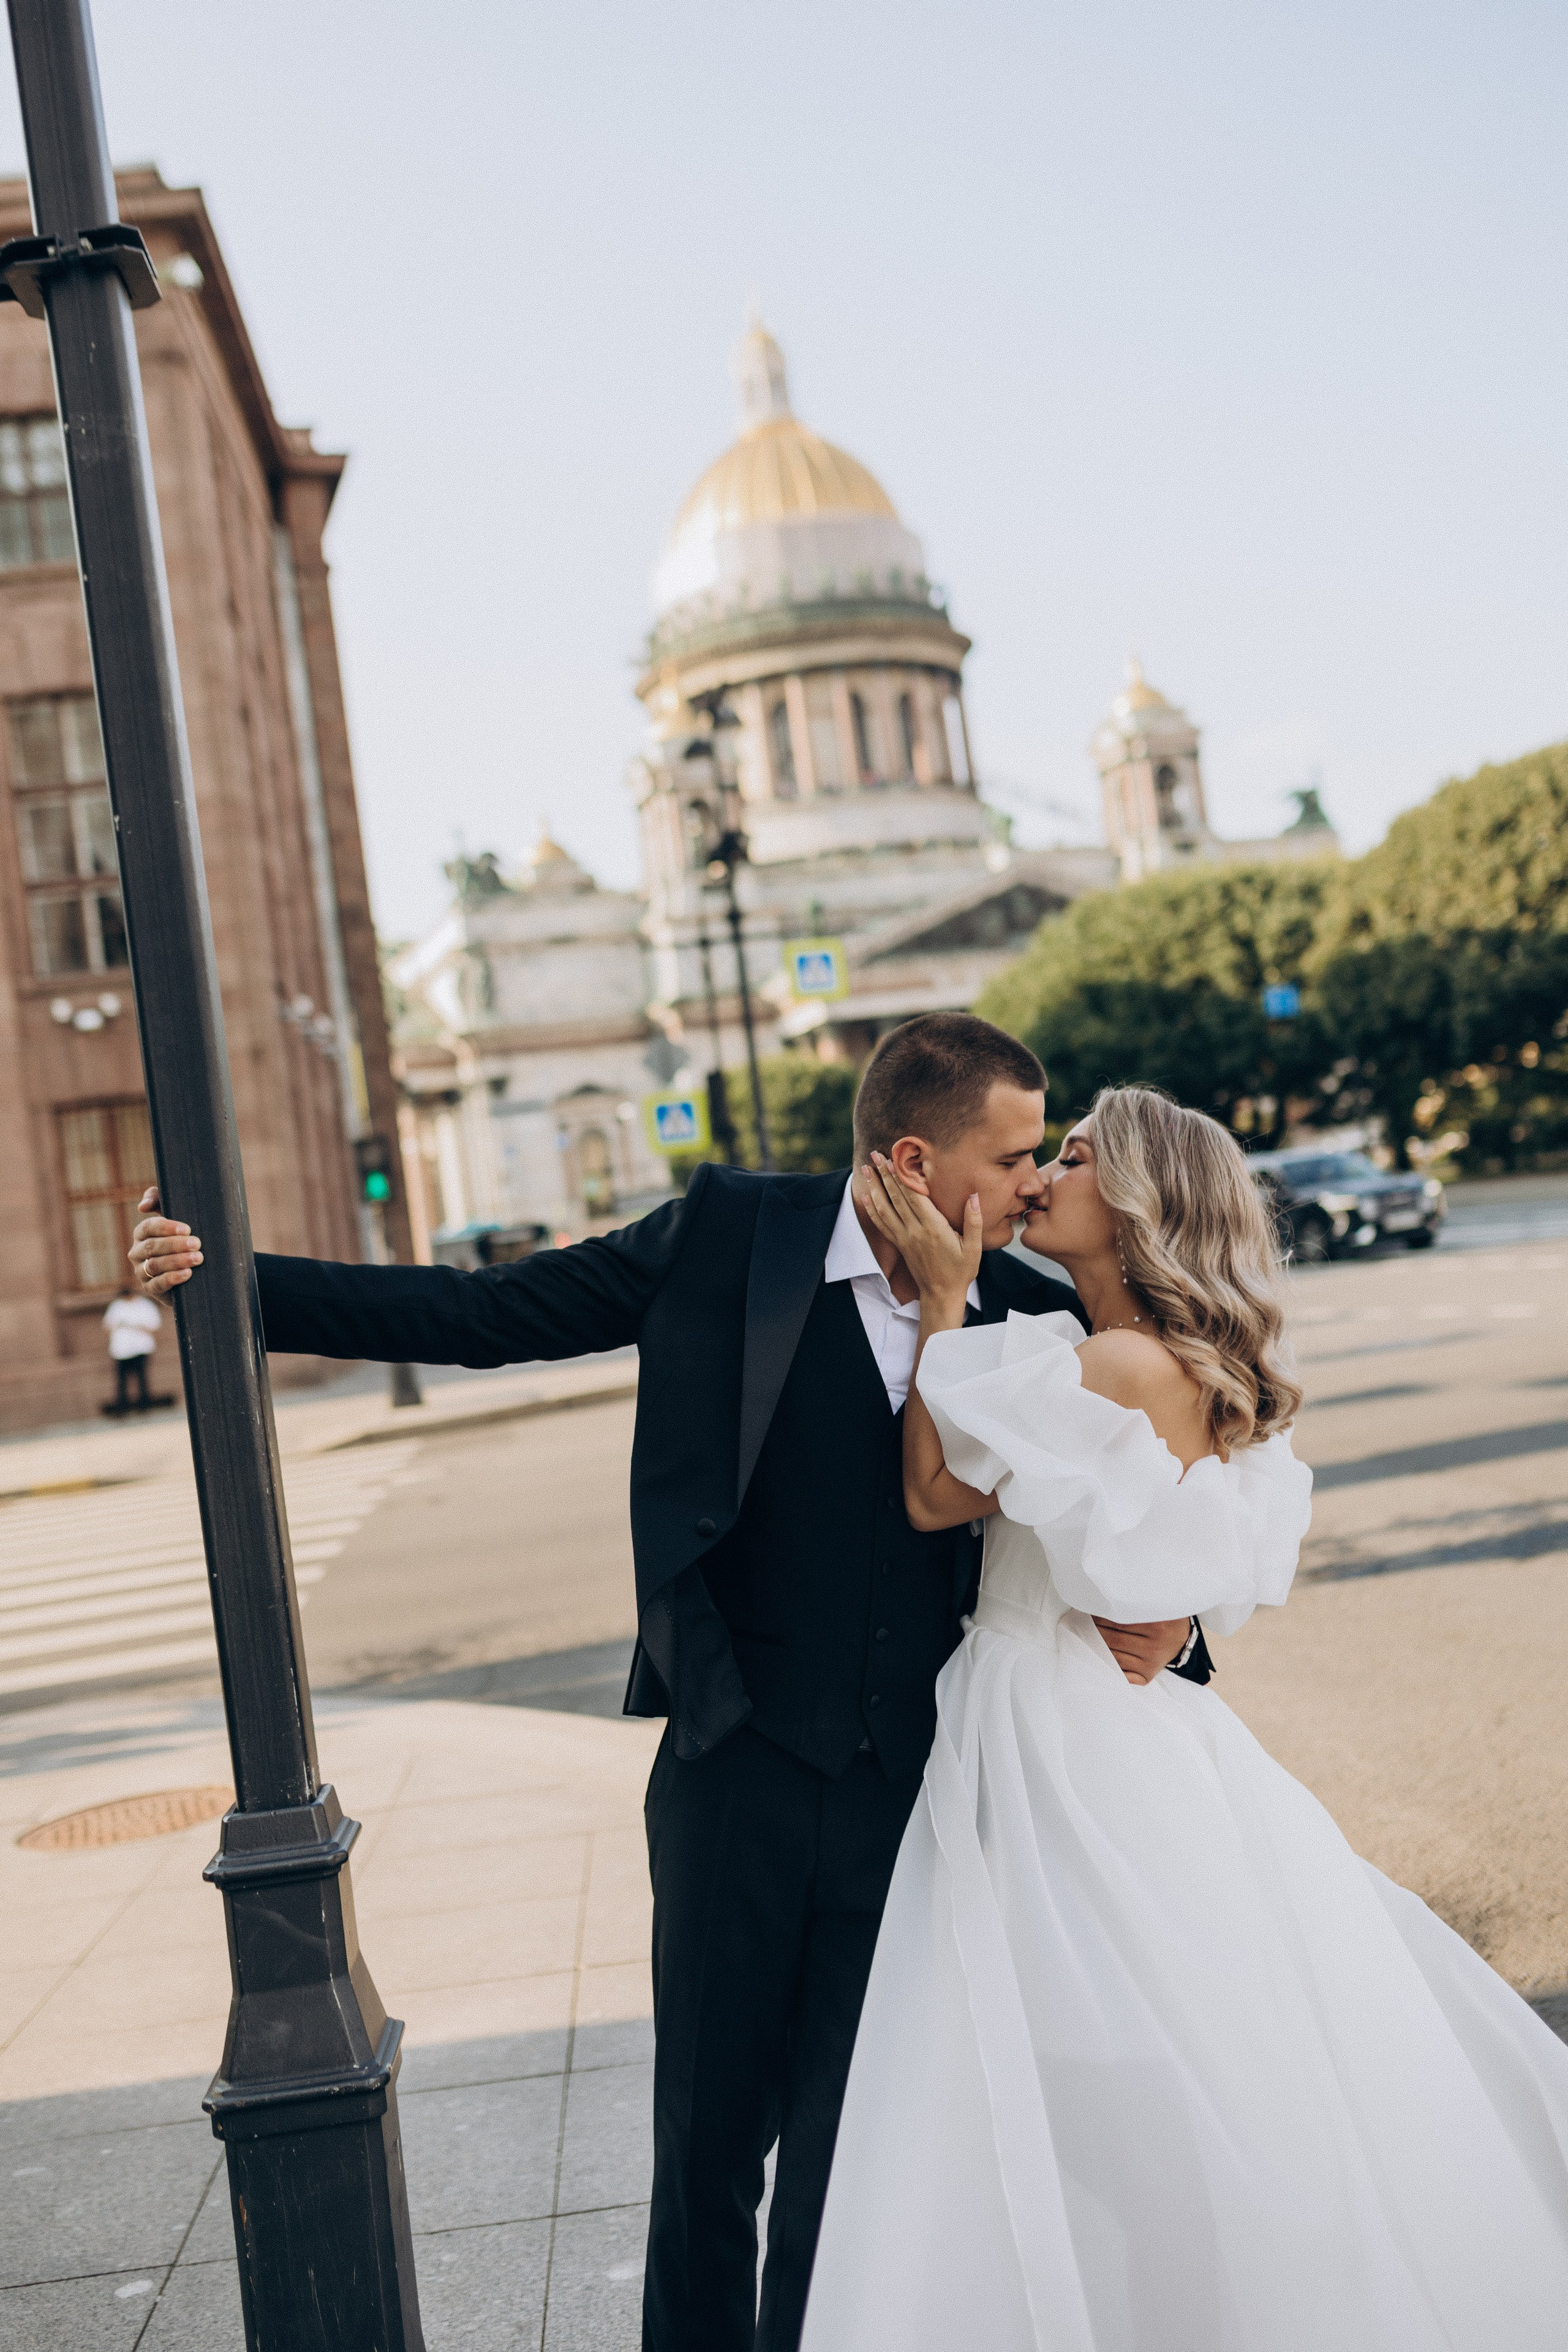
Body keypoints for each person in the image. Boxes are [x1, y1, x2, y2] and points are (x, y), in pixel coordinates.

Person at [127, 1012, 1209, 2352]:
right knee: (706, 2152)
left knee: (846, 2152)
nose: (1035, 1183)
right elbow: (485, 1314)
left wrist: (1179, 1630)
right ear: (915, 1161)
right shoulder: (727, 1239)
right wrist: (236, 1280)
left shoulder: (1026, 1307)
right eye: (1012, 1156)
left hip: (920, 1800)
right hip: (734, 1769)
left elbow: (1149, 1493)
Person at [801, 1086, 1568, 2352]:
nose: (1046, 1172)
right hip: (1135, 1731)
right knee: (1194, 2055)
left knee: (1066, 2063)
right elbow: (1187, 1552)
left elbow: (934, 1497)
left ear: (1144, 1204)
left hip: (1051, 1731)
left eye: (1077, 1158)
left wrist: (940, 1300)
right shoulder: (1181, 1370)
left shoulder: (1103, 1364)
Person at [102, 1281, 162, 1415]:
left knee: (142, 1378)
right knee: (122, 1381)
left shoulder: (145, 1306)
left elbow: (154, 1326)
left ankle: (144, 1406)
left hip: (140, 1348)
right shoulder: (117, 1306)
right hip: (121, 1350)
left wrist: (135, 1326)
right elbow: (107, 1326)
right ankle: (123, 1408)